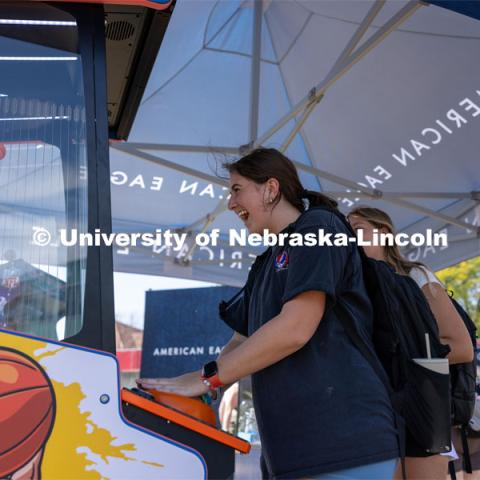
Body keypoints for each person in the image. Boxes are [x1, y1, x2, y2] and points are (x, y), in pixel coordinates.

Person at [138, 148, 399, 479]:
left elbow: (296, 328)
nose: (231, 204)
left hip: (344, 442)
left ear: (271, 189)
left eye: (236, 189)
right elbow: (240, 339)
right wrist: (201, 381)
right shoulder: (264, 264)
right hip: (290, 450)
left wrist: (206, 378)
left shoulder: (320, 226)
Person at [347, 206, 474, 480]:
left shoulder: (416, 275)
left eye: (358, 230)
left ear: (384, 233)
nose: (351, 239)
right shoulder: (354, 289)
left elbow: (462, 346)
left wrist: (402, 360)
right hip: (375, 416)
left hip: (423, 413)